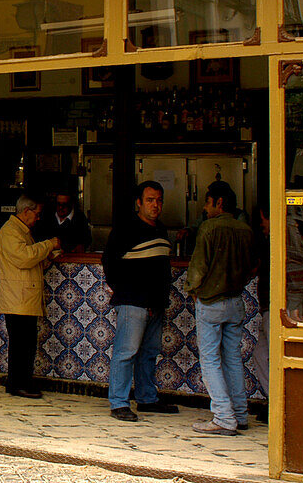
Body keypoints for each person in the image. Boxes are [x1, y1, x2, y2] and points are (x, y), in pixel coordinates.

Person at [102, 181, 177, 421]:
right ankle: (119, 403)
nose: (156, 205)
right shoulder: (126, 229)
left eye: (159, 200)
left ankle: (147, 399)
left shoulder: (161, 230)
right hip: (133, 302)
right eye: (150, 200)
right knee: (126, 352)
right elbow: (109, 262)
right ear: (139, 203)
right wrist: (123, 288)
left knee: (149, 353)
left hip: (156, 303)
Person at [185, 183, 255, 435]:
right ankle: (240, 414)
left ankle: (224, 417)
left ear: (219, 203)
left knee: (211, 360)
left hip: (211, 302)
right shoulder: (246, 230)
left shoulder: (208, 228)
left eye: (207, 202)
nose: (204, 208)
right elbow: (251, 267)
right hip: (236, 302)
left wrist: (192, 290)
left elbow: (198, 267)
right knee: (233, 360)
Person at [0, 194, 59, 399]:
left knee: (26, 343)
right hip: (17, 300)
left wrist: (46, 257)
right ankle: (18, 384)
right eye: (37, 214)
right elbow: (24, 258)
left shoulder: (22, 231)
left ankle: (20, 382)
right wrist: (49, 244)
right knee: (21, 345)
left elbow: (29, 260)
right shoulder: (10, 232)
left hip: (22, 298)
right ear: (26, 212)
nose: (38, 218)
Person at [250, 206, 270, 424]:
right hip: (270, 307)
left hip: (280, 308)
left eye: (262, 219)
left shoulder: (284, 237)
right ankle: (276, 399)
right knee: (261, 355)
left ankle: (281, 403)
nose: (261, 224)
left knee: (273, 355)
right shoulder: (269, 241)